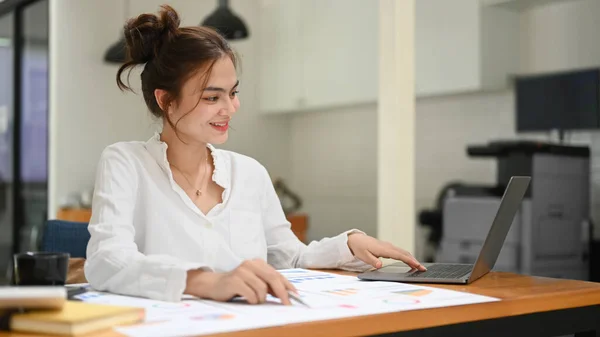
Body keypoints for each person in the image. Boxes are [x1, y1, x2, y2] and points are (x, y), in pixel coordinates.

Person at [84, 5, 425, 304]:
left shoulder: (249, 173)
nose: (230, 108)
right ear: (165, 100)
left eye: (232, 93)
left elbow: (290, 259)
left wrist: (348, 244)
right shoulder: (125, 162)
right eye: (211, 97)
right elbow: (107, 260)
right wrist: (205, 281)